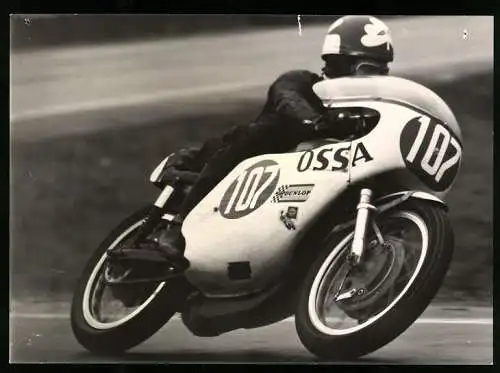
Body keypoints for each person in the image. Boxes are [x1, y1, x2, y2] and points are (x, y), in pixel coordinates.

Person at [133, 15, 395, 269]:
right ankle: (178, 227)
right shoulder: (301, 82)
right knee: (262, 132)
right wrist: (317, 122)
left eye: (380, 73)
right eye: (368, 71)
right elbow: (288, 102)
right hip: (246, 162)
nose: (373, 81)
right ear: (340, 63)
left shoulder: (362, 114)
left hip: (293, 195)